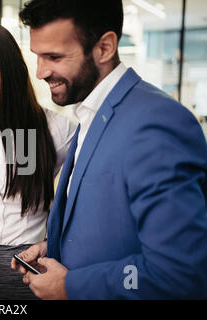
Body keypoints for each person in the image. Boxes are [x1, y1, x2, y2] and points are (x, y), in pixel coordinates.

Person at [12, 0, 207, 299]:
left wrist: (70, 286)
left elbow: (177, 273)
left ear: (104, 48)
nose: (40, 72)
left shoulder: (157, 123)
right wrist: (54, 247)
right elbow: (111, 227)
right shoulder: (92, 112)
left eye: (54, 56)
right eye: (37, 56)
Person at [0, 24, 76, 299]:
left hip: (28, 269)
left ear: (9, 68)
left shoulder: (58, 131)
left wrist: (52, 244)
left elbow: (82, 204)